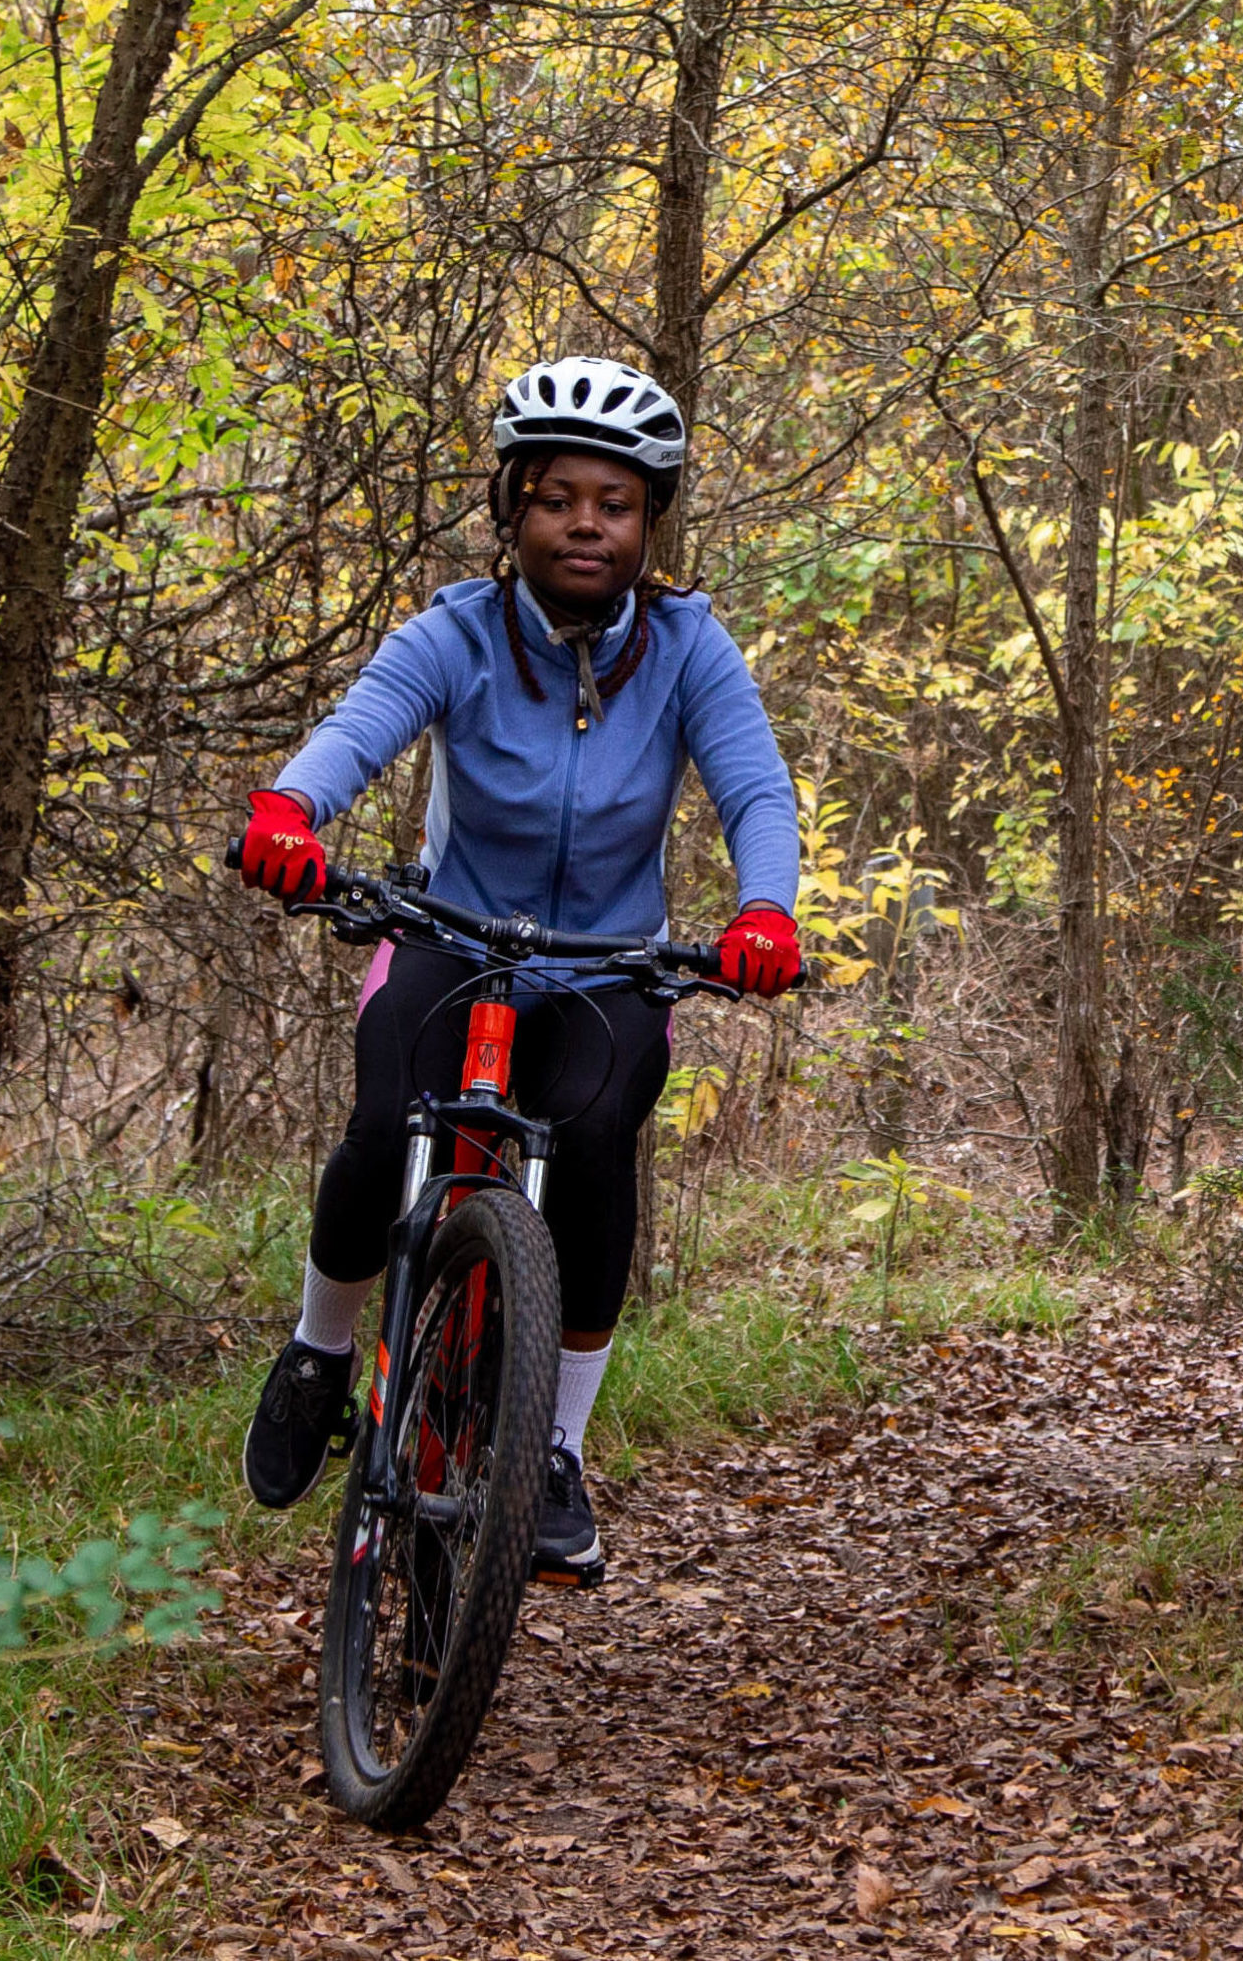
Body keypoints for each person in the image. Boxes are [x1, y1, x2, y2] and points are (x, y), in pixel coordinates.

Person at [232, 356, 800, 1584]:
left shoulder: (690, 649)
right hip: (451, 930)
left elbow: (754, 786)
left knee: (594, 1148)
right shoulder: (455, 633)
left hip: (607, 963)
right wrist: (290, 813)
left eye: (614, 502)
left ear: (650, 522)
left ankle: (551, 1445)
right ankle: (322, 1350)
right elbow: (361, 730)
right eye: (555, 498)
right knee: (385, 1123)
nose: (585, 522)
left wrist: (765, 910)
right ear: (512, 511)